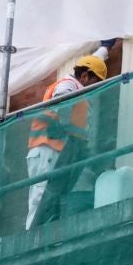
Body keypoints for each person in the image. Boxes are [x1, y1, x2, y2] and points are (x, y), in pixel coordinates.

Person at [26, 42, 115, 229]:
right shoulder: (69, 85)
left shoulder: (79, 81)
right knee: (41, 193)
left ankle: (46, 229)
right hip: (47, 148)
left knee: (55, 194)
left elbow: (94, 62)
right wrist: (65, 126)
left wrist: (106, 47)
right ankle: (31, 235)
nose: (94, 89)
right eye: (94, 83)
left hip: (59, 149)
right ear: (84, 76)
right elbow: (62, 102)